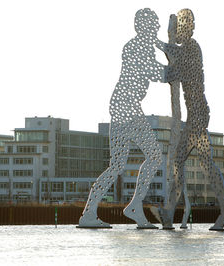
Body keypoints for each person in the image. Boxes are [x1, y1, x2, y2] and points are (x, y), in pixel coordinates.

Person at [78, 8, 167, 229]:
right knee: (154, 155)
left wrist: (164, 48)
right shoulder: (137, 47)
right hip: (126, 108)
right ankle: (134, 206)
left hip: (122, 107)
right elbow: (158, 73)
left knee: (117, 165)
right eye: (154, 25)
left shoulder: (140, 46)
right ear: (144, 27)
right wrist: (176, 66)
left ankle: (89, 213)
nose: (157, 29)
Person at [157, 9, 224, 231]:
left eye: (178, 28)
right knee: (202, 162)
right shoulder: (186, 51)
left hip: (198, 115)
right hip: (196, 115)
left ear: (185, 27)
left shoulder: (192, 48)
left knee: (181, 161)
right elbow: (171, 72)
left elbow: (174, 65)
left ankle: (172, 210)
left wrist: (157, 41)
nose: (178, 33)